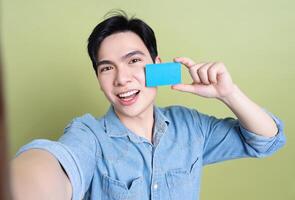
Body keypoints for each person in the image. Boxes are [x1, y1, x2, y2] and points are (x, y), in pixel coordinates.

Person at [11, 11, 286, 200]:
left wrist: (229, 93)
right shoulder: (89, 135)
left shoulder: (190, 127)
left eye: (133, 61)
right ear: (99, 79)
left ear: (157, 66)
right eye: (107, 68)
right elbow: (57, 164)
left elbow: (266, 140)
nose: (121, 78)